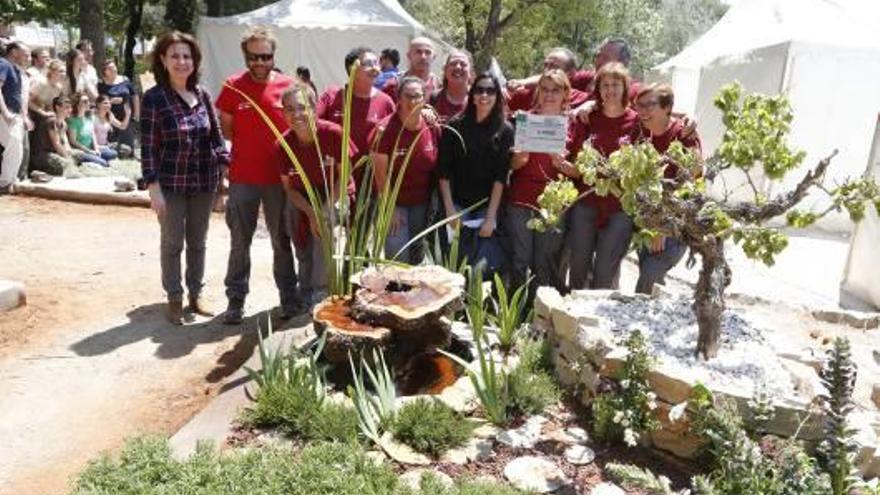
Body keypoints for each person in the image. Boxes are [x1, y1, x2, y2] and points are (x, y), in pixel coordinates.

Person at [215, 25, 302, 324]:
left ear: (273, 55)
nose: (260, 63)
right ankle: (235, 301)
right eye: (254, 57)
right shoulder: (232, 87)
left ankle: (289, 299)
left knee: (282, 240)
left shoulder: (288, 87)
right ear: (245, 56)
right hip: (244, 178)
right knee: (240, 241)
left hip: (280, 180)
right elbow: (226, 129)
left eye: (266, 56)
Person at [141, 31, 229, 324]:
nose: (182, 61)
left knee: (198, 241)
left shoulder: (203, 94)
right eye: (175, 55)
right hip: (171, 183)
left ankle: (196, 293)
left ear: (195, 61)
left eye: (187, 56)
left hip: (204, 182)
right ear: (163, 60)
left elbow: (217, 139)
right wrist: (153, 187)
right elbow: (148, 147)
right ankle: (175, 297)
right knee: (172, 242)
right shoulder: (154, 98)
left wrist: (226, 171)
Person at [278, 83, 357, 305]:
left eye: (302, 107)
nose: (297, 115)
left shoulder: (333, 133)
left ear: (314, 108)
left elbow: (345, 176)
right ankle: (306, 287)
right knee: (293, 218)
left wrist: (321, 211)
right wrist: (311, 212)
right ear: (283, 112)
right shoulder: (283, 144)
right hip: (303, 197)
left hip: (335, 193)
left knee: (325, 224)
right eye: (290, 109)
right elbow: (289, 189)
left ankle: (322, 290)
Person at [505, 69, 583, 293]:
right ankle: (515, 314)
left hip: (554, 202)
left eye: (556, 90)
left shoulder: (574, 124)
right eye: (545, 90)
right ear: (538, 92)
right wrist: (520, 159)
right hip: (521, 199)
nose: (549, 95)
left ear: (565, 94)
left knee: (544, 262)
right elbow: (510, 166)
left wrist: (564, 166)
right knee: (520, 259)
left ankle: (540, 315)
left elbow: (581, 172)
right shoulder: (524, 119)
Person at [566, 62, 640, 291]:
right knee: (578, 267)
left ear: (625, 87)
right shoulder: (588, 118)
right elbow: (575, 154)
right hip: (586, 202)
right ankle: (571, 318)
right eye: (605, 85)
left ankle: (597, 322)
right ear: (598, 89)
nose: (610, 90)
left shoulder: (637, 122)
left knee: (604, 273)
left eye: (615, 84)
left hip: (619, 206)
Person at [437, 72, 513, 275]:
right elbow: (443, 171)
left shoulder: (505, 131)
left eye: (490, 90)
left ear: (497, 95)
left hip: (486, 207)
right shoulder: (455, 126)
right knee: (456, 261)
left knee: (481, 265)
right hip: (458, 204)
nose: (484, 95)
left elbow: (500, 177)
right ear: (472, 94)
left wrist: (490, 217)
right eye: (479, 90)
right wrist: (449, 209)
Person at [632, 83, 702, 294]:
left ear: (666, 107)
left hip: (674, 221)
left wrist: (661, 227)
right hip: (645, 217)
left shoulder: (684, 134)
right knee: (650, 273)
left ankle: (638, 321)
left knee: (651, 272)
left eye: (649, 105)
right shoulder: (640, 131)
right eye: (639, 105)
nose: (643, 111)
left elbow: (690, 184)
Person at [370, 76, 441, 264]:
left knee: (417, 253)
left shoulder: (431, 126)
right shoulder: (385, 130)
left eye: (418, 96)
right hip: (395, 203)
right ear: (398, 98)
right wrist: (389, 208)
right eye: (408, 96)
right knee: (397, 254)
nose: (413, 101)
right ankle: (396, 292)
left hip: (422, 202)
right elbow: (380, 175)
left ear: (425, 99)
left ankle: (413, 293)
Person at [316, 46, 395, 187]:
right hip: (337, 179)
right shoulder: (333, 97)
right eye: (368, 64)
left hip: (371, 181)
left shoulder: (385, 101)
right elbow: (314, 124)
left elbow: (396, 130)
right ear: (352, 69)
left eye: (376, 63)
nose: (375, 68)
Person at [29, 95, 108, 176]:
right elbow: (57, 144)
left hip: (57, 153)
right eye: (66, 107)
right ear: (57, 107)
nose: (69, 110)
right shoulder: (51, 121)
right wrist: (69, 159)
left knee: (87, 158)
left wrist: (73, 154)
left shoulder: (64, 124)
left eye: (70, 107)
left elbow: (66, 145)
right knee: (68, 165)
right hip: (43, 155)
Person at [506, 47, 590, 112]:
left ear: (570, 73)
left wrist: (590, 105)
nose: (547, 70)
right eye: (545, 65)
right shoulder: (524, 95)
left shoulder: (580, 99)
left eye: (554, 66)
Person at [0, 41, 29, 194]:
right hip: (6, 115)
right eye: (25, 54)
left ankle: (9, 181)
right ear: (14, 52)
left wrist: (24, 117)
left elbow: (19, 97)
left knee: (16, 149)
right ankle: (5, 183)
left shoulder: (16, 70)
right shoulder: (3, 64)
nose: (28, 58)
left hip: (14, 115)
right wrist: (5, 113)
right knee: (14, 148)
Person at [381, 37, 441, 102]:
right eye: (418, 52)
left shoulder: (439, 87)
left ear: (434, 57)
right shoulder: (394, 85)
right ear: (409, 56)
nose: (423, 57)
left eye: (428, 52)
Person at [97, 59, 139, 150]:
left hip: (127, 115)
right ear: (105, 71)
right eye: (110, 68)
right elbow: (100, 100)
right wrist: (111, 101)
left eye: (114, 67)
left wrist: (136, 112)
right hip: (110, 117)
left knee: (128, 147)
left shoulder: (125, 79)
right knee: (112, 144)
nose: (114, 70)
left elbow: (134, 96)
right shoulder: (101, 84)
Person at [67, 92, 117, 166]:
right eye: (85, 101)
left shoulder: (88, 118)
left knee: (113, 153)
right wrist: (88, 151)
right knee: (104, 163)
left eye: (88, 101)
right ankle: (91, 161)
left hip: (91, 148)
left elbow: (92, 134)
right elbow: (73, 141)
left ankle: (95, 159)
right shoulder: (73, 121)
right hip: (81, 151)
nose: (88, 103)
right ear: (78, 104)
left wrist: (96, 148)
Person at [430, 50, 472, 123]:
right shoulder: (434, 98)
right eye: (453, 63)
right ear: (445, 70)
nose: (458, 67)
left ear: (470, 72)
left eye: (463, 64)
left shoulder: (476, 100)